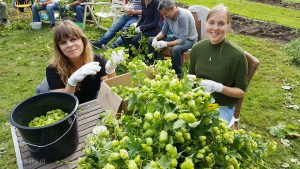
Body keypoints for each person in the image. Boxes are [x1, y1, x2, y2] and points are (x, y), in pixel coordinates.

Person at [188, 4, 248, 125]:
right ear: (206, 23)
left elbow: (241, 92)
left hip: (221, 107)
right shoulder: (197, 48)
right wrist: (190, 80)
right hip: (197, 101)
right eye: (211, 22)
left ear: (228, 26)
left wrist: (218, 87)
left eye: (221, 23)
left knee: (206, 128)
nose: (215, 28)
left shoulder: (238, 56)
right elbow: (191, 75)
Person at [43, 20, 124, 103]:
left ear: (83, 41)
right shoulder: (52, 69)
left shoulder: (97, 60)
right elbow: (63, 102)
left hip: (92, 104)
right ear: (59, 48)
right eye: (63, 42)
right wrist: (71, 82)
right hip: (72, 108)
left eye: (73, 39)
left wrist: (110, 71)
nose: (69, 45)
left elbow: (113, 91)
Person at [148, 0, 197, 77]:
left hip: (189, 40)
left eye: (165, 14)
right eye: (162, 14)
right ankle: (151, 65)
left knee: (175, 49)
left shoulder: (182, 17)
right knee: (151, 40)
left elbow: (182, 40)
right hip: (176, 36)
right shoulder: (168, 16)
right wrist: (156, 38)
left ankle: (178, 74)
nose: (164, 16)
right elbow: (163, 32)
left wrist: (165, 44)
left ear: (172, 8)